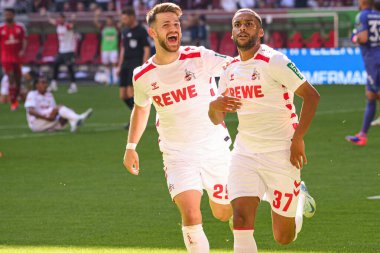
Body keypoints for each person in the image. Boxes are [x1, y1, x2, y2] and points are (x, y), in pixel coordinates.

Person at [122, 3, 234, 253]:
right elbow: (141, 109)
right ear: (153, 33)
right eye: (166, 25)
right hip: (177, 155)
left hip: (214, 148)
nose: (174, 29)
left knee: (223, 213)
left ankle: (264, 192)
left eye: (176, 24)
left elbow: (235, 66)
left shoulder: (199, 57)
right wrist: (131, 147)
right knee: (191, 214)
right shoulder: (142, 75)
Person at [208, 9, 320, 252]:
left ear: (260, 32)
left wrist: (298, 138)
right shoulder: (229, 70)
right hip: (245, 153)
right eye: (238, 24)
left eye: (249, 24)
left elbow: (311, 96)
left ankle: (299, 197)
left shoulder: (275, 61)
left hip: (281, 152)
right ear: (231, 33)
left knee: (283, 237)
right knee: (240, 220)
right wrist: (213, 106)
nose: (243, 28)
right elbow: (217, 118)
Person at [346, 0, 380, 145]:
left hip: (374, 61)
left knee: (377, 94)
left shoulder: (362, 16)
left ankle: (362, 135)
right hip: (376, 59)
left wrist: (354, 37)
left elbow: (363, 38)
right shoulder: (378, 15)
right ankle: (362, 135)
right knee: (371, 95)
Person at [117, 7, 150, 129]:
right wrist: (119, 65)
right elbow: (123, 49)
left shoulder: (141, 31)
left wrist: (144, 66)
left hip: (135, 63)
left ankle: (136, 120)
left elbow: (146, 49)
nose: (123, 21)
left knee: (131, 93)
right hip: (125, 63)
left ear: (132, 17)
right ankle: (138, 115)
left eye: (125, 18)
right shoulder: (125, 31)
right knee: (123, 95)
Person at [25, 76, 93, 133]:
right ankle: (78, 118)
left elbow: (54, 110)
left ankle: (74, 125)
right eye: (43, 83)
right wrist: (47, 118)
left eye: (46, 83)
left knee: (69, 110)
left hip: (49, 121)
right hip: (37, 123)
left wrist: (58, 116)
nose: (45, 85)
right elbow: (30, 111)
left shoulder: (49, 95)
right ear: (36, 85)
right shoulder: (32, 94)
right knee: (61, 108)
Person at [0, 8, 27, 111]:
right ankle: (14, 102)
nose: (8, 16)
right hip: (6, 57)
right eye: (6, 14)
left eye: (10, 14)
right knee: (11, 78)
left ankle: (17, 97)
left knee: (18, 80)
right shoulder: (1, 28)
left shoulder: (20, 27)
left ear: (14, 15)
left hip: (17, 57)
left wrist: (23, 50)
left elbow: (24, 40)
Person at [45, 12, 78, 94]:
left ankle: (73, 85)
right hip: (61, 51)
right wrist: (46, 14)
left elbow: (71, 26)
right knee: (56, 65)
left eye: (61, 18)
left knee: (70, 68)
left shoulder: (67, 26)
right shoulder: (58, 25)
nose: (60, 20)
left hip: (69, 50)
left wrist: (74, 19)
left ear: (64, 19)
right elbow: (51, 21)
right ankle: (54, 83)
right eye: (59, 18)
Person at [94, 8, 119, 85]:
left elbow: (122, 23)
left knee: (115, 64)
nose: (109, 21)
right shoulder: (103, 28)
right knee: (106, 65)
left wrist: (119, 14)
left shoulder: (116, 27)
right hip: (105, 49)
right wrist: (97, 15)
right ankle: (108, 80)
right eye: (108, 20)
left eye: (110, 20)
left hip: (114, 48)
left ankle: (115, 80)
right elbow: (95, 22)